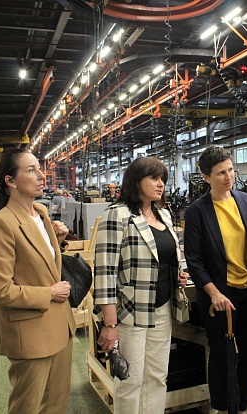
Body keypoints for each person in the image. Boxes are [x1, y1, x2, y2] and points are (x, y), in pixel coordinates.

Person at [0, 148, 76, 414]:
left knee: (56, 404)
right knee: (28, 407)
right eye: (31, 170)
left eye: (39, 168)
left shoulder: (40, 213)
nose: (42, 176)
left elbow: (39, 262)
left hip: (60, 326)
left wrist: (56, 244)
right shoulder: (1, 223)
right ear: (10, 180)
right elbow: (1, 290)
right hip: (31, 334)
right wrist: (49, 293)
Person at [93, 156, 188, 414]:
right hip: (130, 312)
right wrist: (109, 324)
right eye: (154, 178)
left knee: (157, 377)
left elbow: (165, 256)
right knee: (130, 380)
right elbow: (105, 273)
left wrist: (177, 274)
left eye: (163, 179)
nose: (161, 184)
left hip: (162, 309)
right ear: (136, 181)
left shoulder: (164, 214)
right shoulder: (117, 215)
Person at [183, 146, 247, 414]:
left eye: (231, 170)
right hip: (220, 296)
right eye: (221, 172)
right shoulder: (197, 212)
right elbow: (194, 260)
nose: (229, 176)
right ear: (206, 177)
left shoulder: (245, 201)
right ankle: (223, 409)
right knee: (222, 356)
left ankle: (240, 407)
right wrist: (214, 293)